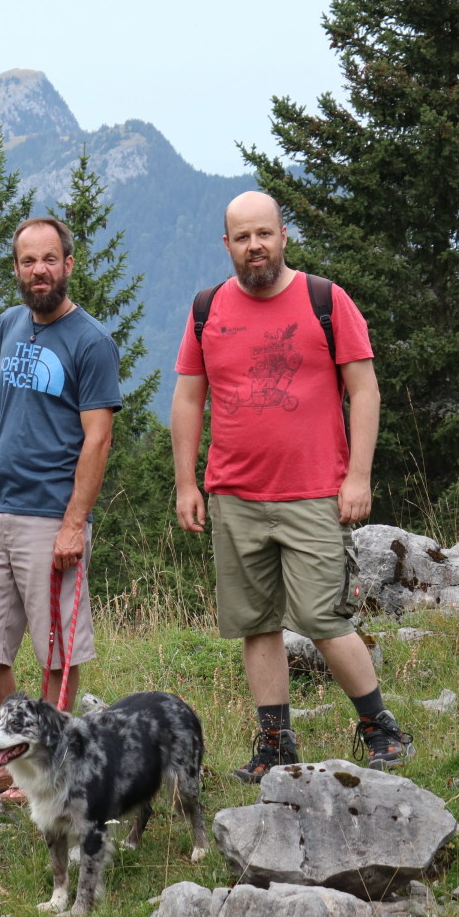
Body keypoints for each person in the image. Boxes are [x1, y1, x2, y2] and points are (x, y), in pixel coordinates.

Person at [171, 190, 412, 782]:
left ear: (283, 236)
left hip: (313, 494)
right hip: (234, 493)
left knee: (324, 618)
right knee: (257, 623)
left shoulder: (324, 300)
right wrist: (186, 483)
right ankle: (275, 740)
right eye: (243, 237)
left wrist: (357, 476)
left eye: (265, 234)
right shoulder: (207, 308)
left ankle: (380, 727)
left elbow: (365, 390)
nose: (255, 246)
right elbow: (188, 397)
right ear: (226, 245)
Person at [0, 216, 122, 801]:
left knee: (59, 654)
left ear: (68, 265)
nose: (39, 270)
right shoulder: (9, 324)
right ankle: (7, 761)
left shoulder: (91, 342)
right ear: (18, 269)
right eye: (28, 261)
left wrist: (75, 523)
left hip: (53, 516)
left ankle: (49, 770)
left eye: (49, 259)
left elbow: (97, 439)